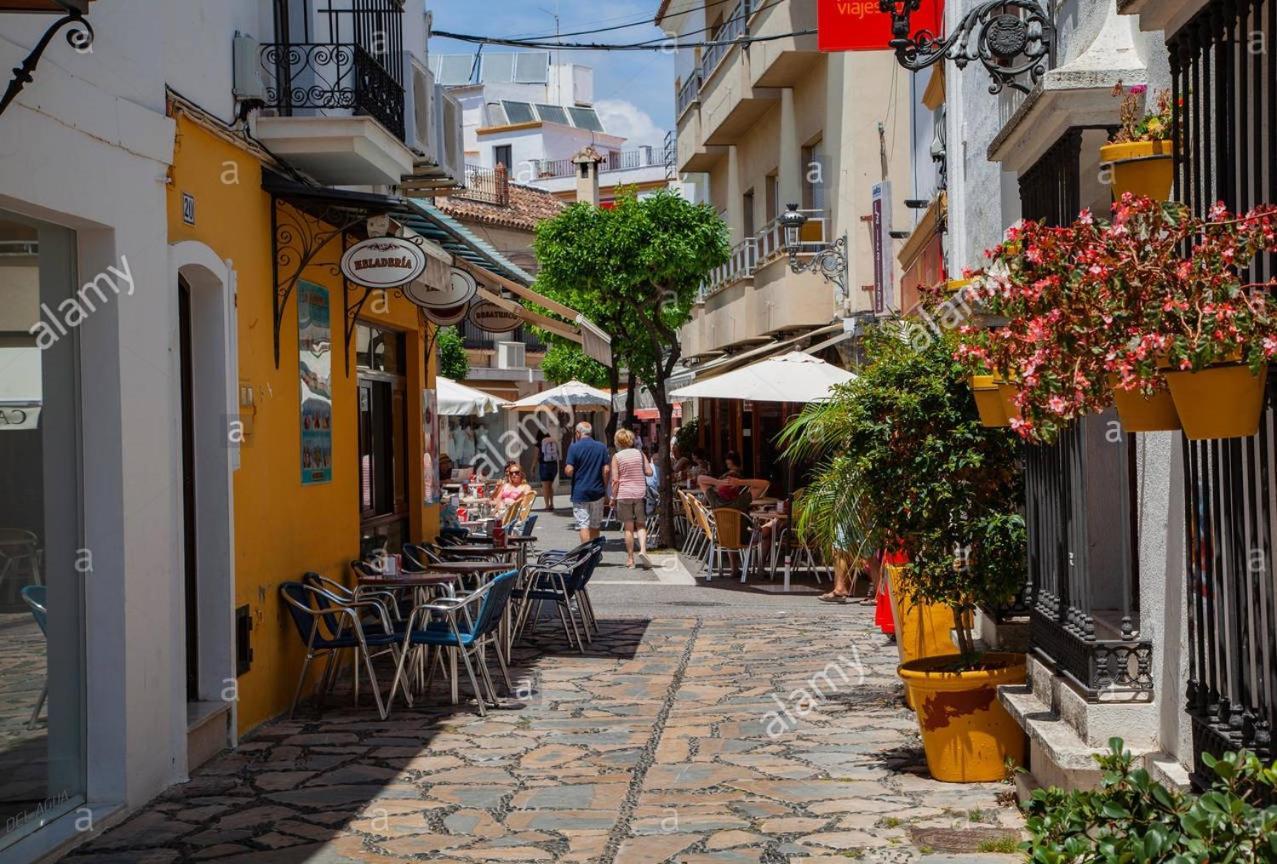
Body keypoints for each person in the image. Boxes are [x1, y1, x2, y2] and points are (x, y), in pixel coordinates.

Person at [610, 428, 654, 568]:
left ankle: (630, 559)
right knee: (641, 524)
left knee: (628, 527)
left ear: (618, 441)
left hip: (624, 494)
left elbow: (615, 480)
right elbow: (649, 472)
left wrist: (612, 497)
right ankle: (643, 550)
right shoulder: (640, 454)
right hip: (639, 493)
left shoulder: (616, 457)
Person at [564, 421, 610, 543]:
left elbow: (569, 469)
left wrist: (570, 471)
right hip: (597, 491)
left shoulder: (574, 447)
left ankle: (586, 554)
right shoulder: (601, 447)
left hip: (580, 493)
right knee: (595, 525)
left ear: (578, 433)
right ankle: (594, 554)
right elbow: (606, 470)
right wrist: (605, 489)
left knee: (583, 525)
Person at [535, 431, 561, 511]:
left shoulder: (539, 444)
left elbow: (536, 456)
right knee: (550, 485)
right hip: (553, 465)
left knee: (545, 486)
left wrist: (532, 467)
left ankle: (546, 505)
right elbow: (558, 453)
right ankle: (552, 504)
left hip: (544, 466)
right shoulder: (552, 441)